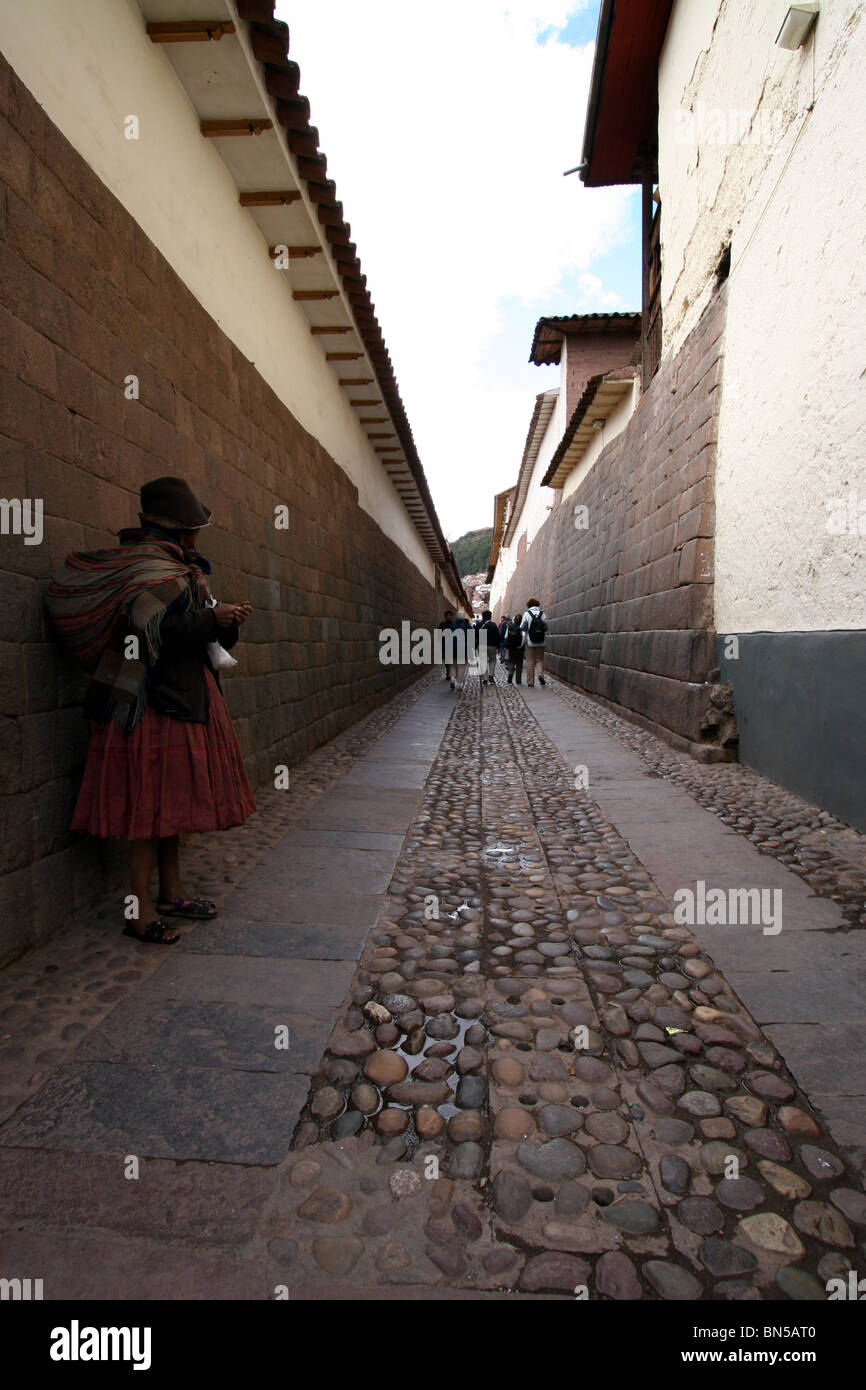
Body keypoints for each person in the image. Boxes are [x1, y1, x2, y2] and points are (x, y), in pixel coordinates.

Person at [46, 476, 257, 945]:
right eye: (195, 526)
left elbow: (198, 631)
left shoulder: (180, 568)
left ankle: (172, 892)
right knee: (147, 807)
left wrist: (225, 623)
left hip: (185, 696)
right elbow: (151, 632)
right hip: (147, 703)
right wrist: (210, 618)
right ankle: (138, 912)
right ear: (182, 528)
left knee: (170, 805)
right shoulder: (146, 568)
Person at [520, 597, 548, 687]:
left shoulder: (527, 614)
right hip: (541, 641)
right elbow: (546, 628)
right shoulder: (542, 614)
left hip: (529, 641)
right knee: (539, 660)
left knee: (530, 661)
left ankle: (530, 682)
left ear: (529, 605)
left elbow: (522, 627)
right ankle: (540, 675)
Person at [476, 609, 502, 685]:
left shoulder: (478, 625)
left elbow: (475, 636)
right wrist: (499, 646)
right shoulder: (493, 625)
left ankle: (485, 679)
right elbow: (498, 636)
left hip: (481, 645)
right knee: (492, 660)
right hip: (492, 645)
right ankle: (491, 676)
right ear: (490, 616)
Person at [448, 609, 471, 690]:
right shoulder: (467, 625)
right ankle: (459, 684)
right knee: (461, 667)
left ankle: (452, 679)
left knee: (452, 665)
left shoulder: (452, 624)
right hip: (463, 649)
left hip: (452, 648)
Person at [503, 613, 525, 684]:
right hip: (520, 648)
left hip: (511, 648)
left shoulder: (510, 626)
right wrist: (521, 645)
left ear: (514, 620)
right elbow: (523, 637)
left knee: (511, 662)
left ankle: (510, 678)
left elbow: (506, 636)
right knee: (519, 664)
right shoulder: (522, 627)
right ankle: (518, 681)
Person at [439, 608, 455, 681]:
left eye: (450, 615)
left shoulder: (455, 624)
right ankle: (448, 673)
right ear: (445, 616)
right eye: (447, 615)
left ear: (452, 616)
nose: (449, 617)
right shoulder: (442, 624)